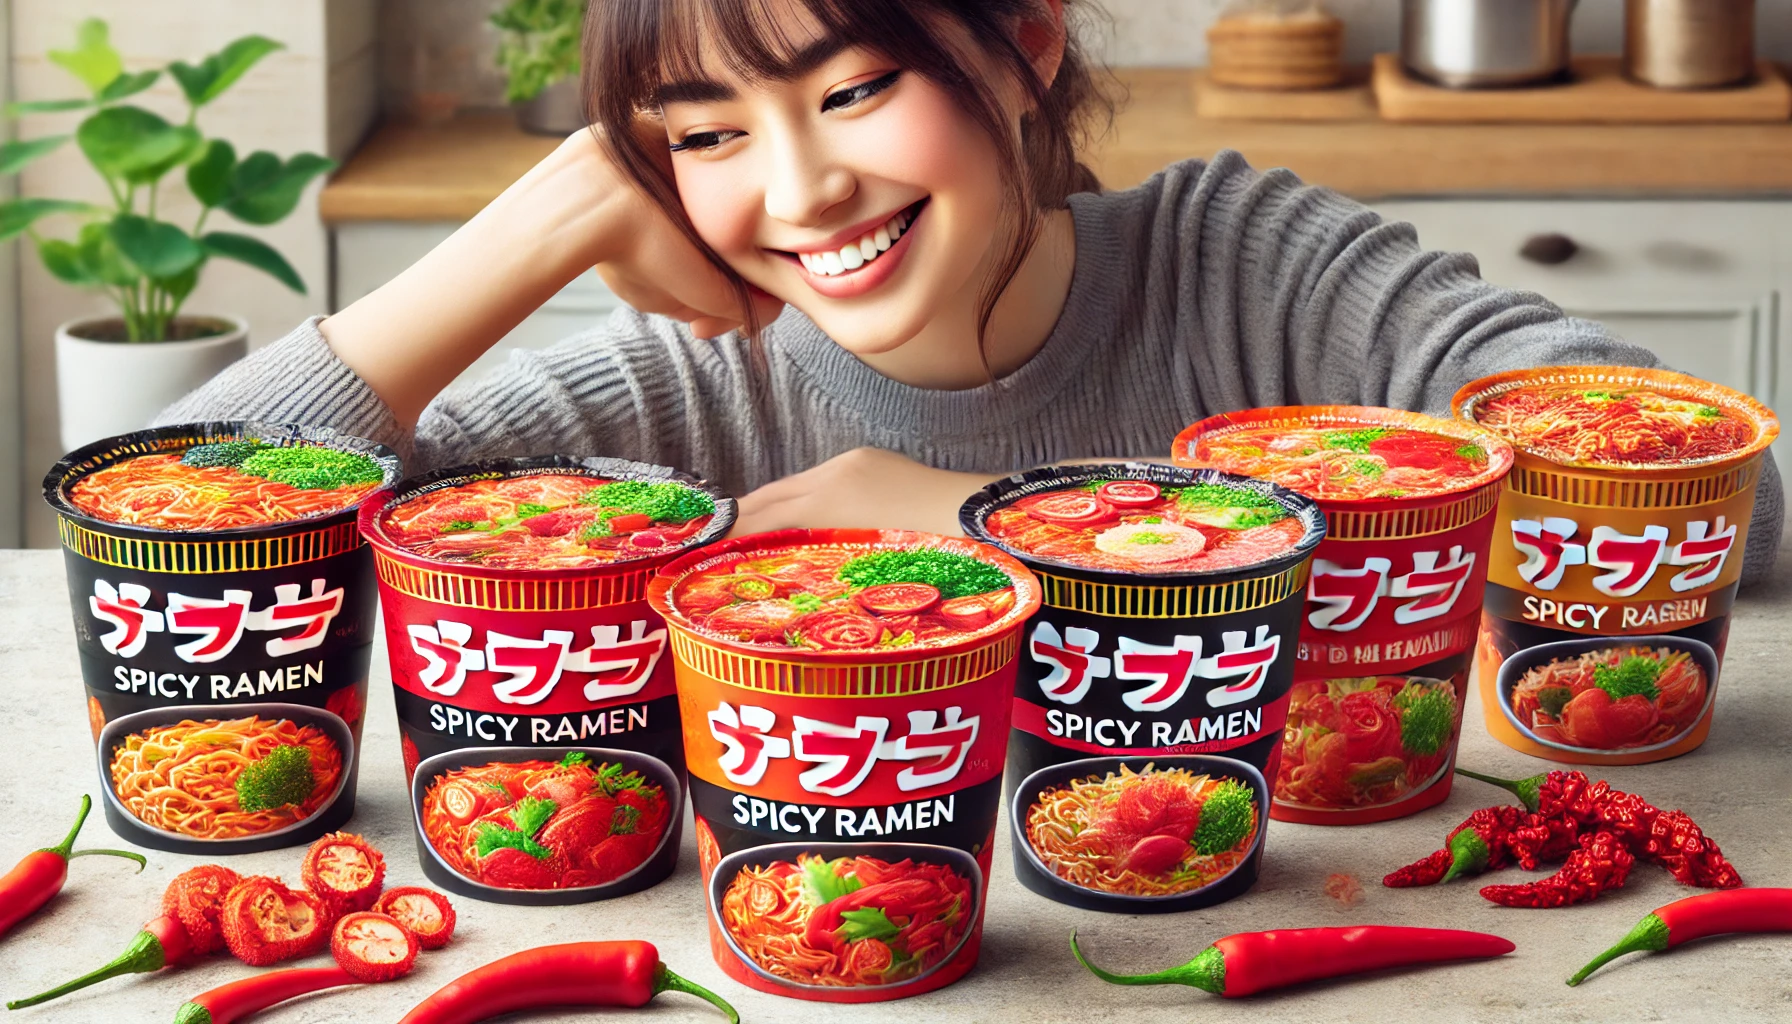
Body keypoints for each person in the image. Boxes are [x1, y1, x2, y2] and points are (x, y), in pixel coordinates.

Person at [161, 0, 1782, 583]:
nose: (799, 194)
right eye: (710, 133)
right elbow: (180, 533)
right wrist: (543, 217)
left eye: (855, 91)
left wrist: (992, 518)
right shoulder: (680, 381)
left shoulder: (1249, 262)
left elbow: (1721, 503)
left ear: (1025, 48)